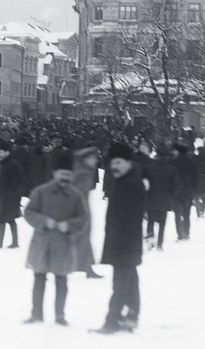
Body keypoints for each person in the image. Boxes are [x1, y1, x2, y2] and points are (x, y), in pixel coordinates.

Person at [23, 150, 89, 325]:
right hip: (42, 242)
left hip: (64, 244)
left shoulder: (76, 196)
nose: (65, 177)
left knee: (61, 281)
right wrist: (44, 221)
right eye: (62, 174)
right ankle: (36, 314)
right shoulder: (40, 192)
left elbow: (83, 220)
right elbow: (28, 212)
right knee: (39, 279)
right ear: (54, 174)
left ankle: (60, 316)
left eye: (68, 174)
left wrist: (69, 226)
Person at [90, 143, 146, 335]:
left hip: (125, 244)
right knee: (129, 282)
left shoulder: (131, 183)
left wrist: (119, 244)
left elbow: (130, 218)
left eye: (119, 162)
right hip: (124, 243)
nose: (115, 166)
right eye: (113, 163)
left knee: (120, 284)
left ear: (128, 163)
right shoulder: (125, 180)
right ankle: (131, 316)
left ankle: (112, 322)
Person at [72, 146, 103, 278]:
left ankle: (87, 267)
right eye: (93, 158)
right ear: (86, 159)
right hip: (77, 209)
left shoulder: (85, 170)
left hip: (82, 207)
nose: (95, 161)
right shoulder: (81, 172)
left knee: (83, 238)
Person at [143, 143, 180, 252]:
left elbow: (143, 183)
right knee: (162, 224)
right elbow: (176, 186)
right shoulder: (172, 169)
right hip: (165, 200)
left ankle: (150, 242)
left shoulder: (148, 168)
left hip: (151, 199)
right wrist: (171, 195)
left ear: (157, 155)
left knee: (150, 222)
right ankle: (159, 244)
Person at [0, 140, 23, 249]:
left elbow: (16, 182)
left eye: (1, 152)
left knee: (3, 219)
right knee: (10, 219)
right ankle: (15, 242)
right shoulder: (3, 163)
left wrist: (10, 195)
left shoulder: (12, 164)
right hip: (3, 196)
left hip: (8, 197)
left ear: (7, 152)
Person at [170, 142, 196, 242]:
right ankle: (186, 233)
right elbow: (196, 178)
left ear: (178, 151)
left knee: (177, 215)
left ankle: (180, 235)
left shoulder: (172, 162)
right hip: (188, 193)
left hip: (176, 194)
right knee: (186, 215)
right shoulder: (192, 162)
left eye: (174, 150)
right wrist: (193, 190)